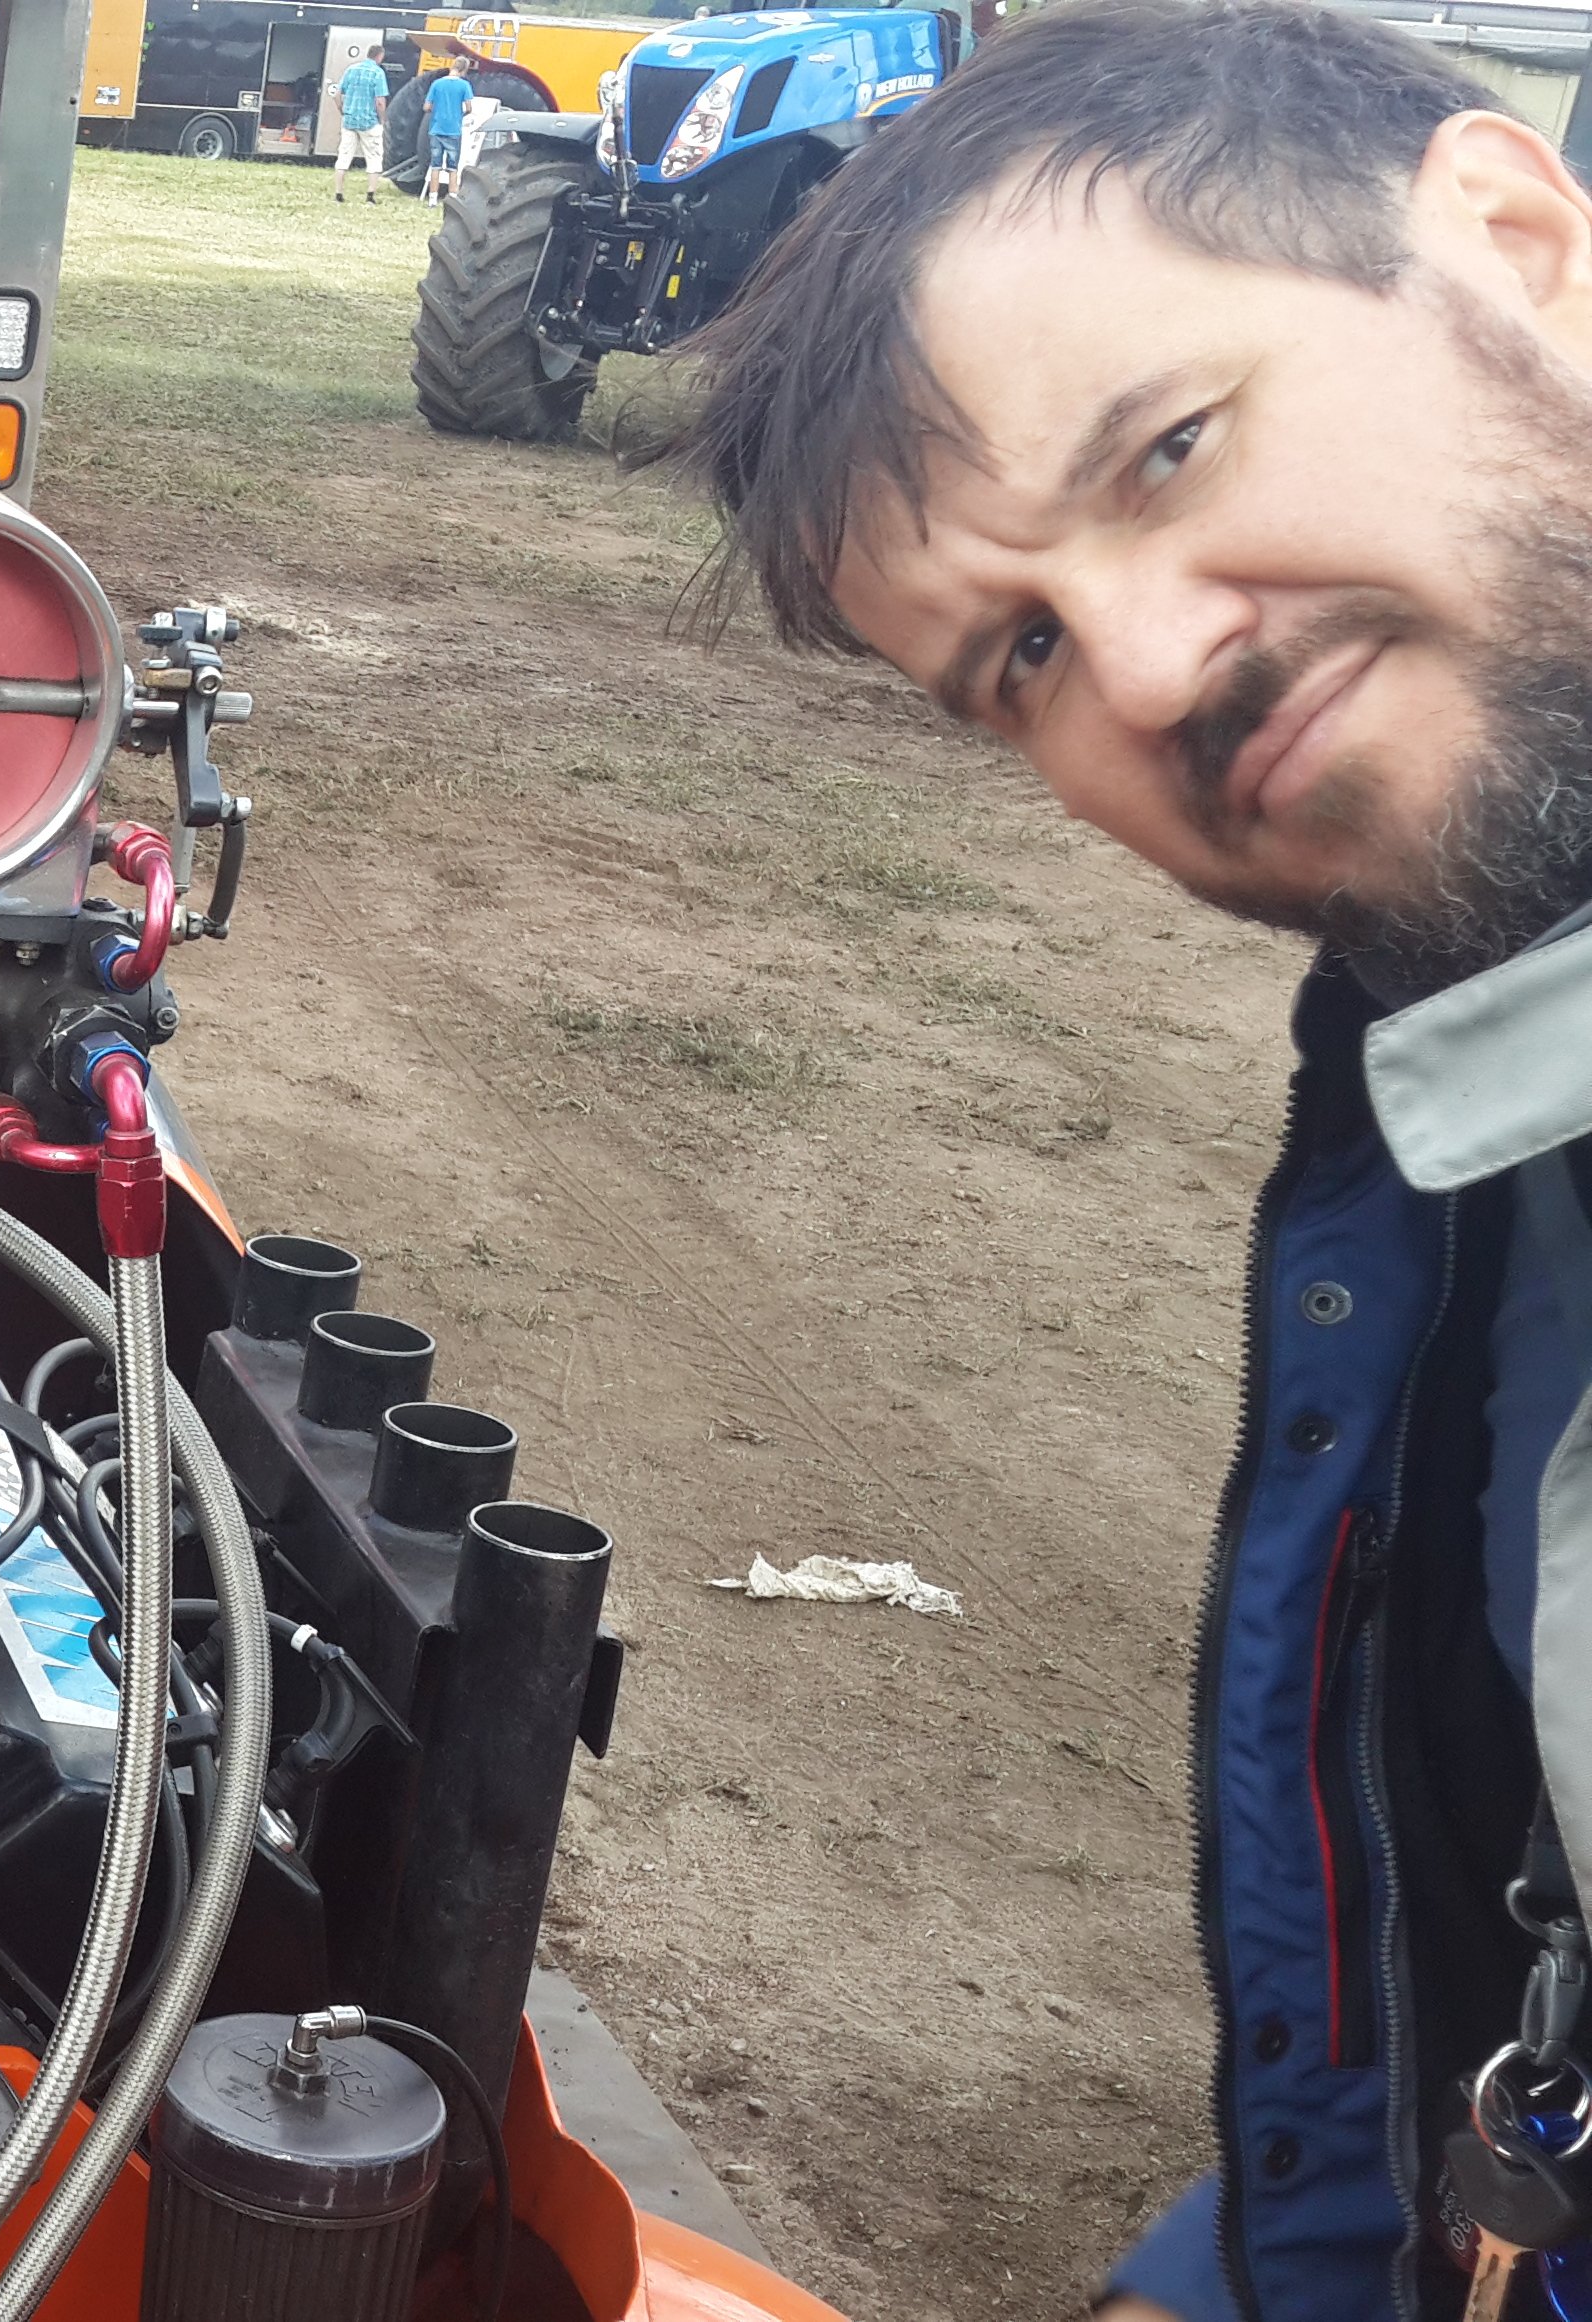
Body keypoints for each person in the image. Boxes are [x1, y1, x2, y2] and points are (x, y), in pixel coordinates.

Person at [658, 1, 1592, 2313]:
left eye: (1168, 449)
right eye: (1016, 658)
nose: (1152, 671)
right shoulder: (1475, 1078)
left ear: (1509, 240)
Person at [329, 47, 389, 202]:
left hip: (349, 121)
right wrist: (382, 119)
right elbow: (380, 101)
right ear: (380, 56)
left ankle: (338, 193)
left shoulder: (351, 69)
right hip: (369, 122)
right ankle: (370, 195)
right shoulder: (377, 73)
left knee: (344, 157)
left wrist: (342, 110)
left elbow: (336, 94)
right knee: (374, 158)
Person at [423, 56, 474, 204]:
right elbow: (469, 108)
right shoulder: (464, 85)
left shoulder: (437, 83)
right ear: (464, 70)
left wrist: (435, 111)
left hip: (436, 128)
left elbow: (426, 107)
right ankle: (452, 198)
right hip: (453, 130)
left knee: (435, 166)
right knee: (452, 167)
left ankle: (432, 199)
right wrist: (460, 115)